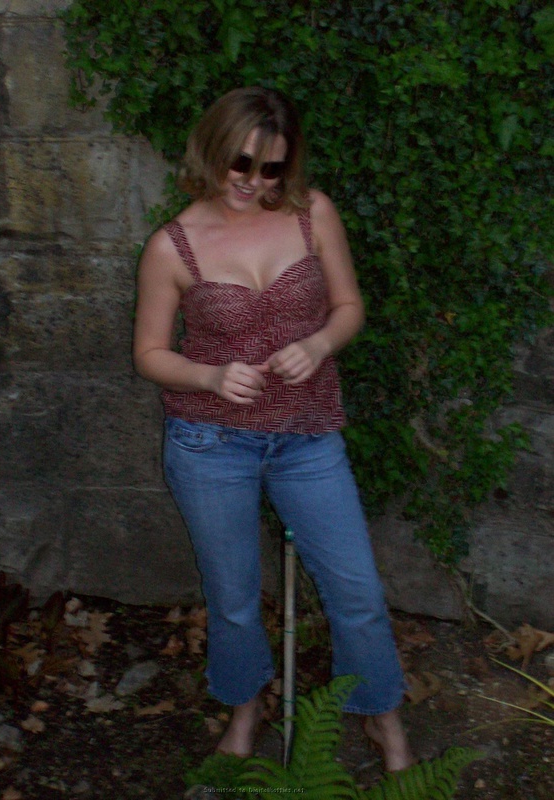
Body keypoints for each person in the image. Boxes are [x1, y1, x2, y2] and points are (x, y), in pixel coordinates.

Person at [133, 87, 415, 772]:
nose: (253, 182)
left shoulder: (312, 213)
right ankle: (245, 706)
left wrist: (318, 345)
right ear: (211, 149)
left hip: (307, 436)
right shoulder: (171, 246)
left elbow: (348, 306)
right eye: (241, 163)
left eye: (271, 169)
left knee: (356, 592)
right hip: (209, 443)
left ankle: (381, 714)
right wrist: (209, 376)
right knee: (232, 599)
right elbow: (149, 354)